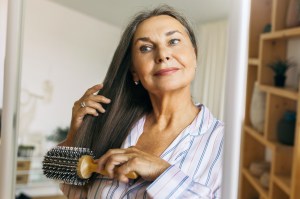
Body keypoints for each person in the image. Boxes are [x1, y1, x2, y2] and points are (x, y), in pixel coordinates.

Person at [59, 5, 224, 199]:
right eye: (146, 48)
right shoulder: (110, 124)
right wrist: (74, 136)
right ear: (134, 70)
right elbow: (74, 192)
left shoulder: (226, 143)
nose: (163, 54)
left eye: (173, 41)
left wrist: (162, 172)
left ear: (194, 55)